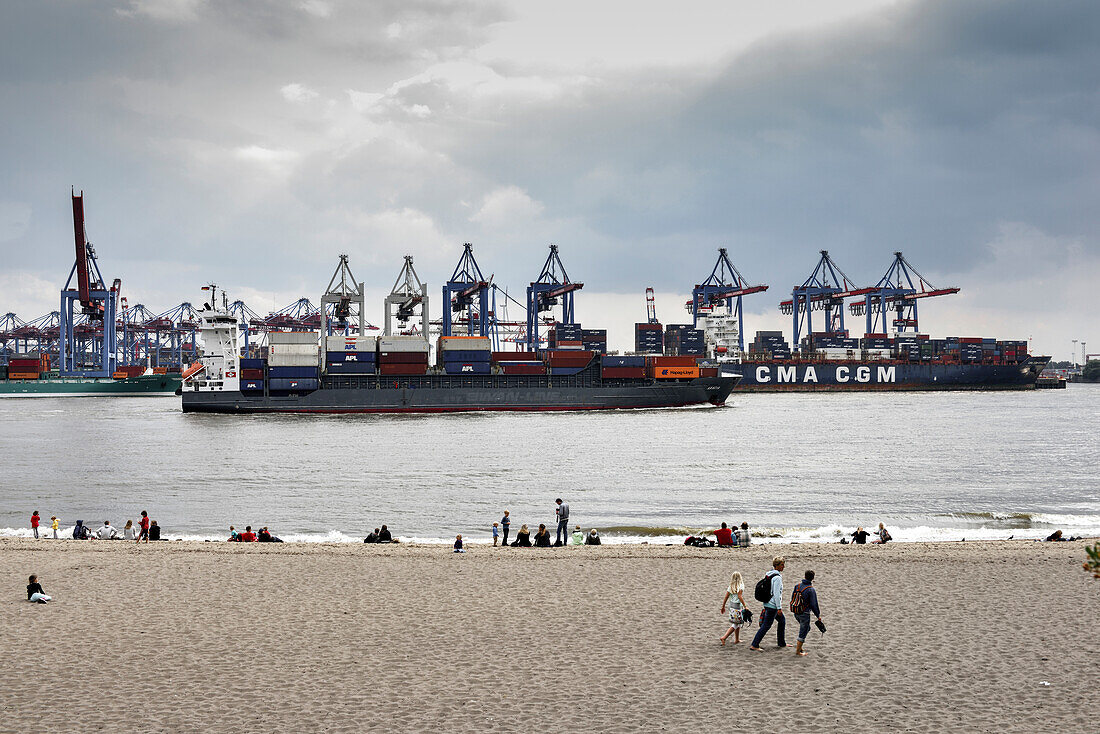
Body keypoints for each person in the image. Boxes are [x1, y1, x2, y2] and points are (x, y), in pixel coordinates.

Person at [750, 556, 787, 651]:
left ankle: (781, 643)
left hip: (767, 603)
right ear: (777, 566)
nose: (783, 567)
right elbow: (776, 594)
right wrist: (779, 608)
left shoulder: (769, 574)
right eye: (782, 565)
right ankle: (754, 644)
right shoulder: (777, 578)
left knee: (782, 621)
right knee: (766, 625)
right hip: (773, 605)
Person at [790, 570, 822, 657]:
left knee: (806, 628)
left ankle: (799, 647)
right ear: (813, 578)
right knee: (803, 631)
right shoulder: (811, 590)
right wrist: (818, 615)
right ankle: (798, 651)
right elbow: (814, 604)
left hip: (796, 611)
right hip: (805, 613)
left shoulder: (797, 586)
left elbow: (793, 597)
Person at [719, 571, 748, 645]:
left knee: (737, 622)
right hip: (737, 606)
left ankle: (737, 639)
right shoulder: (741, 585)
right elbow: (739, 596)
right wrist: (745, 606)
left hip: (731, 605)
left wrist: (723, 606)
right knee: (736, 624)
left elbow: (726, 596)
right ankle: (724, 637)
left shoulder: (731, 586)